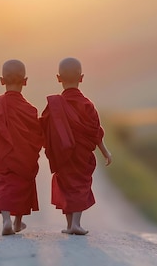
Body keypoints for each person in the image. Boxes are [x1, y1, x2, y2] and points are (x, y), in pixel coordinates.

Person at [40, 57, 113, 235]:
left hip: (62, 155)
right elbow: (96, 132)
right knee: (79, 184)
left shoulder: (54, 105)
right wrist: (105, 152)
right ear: (81, 78)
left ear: (58, 78)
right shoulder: (87, 105)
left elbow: (44, 128)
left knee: (66, 185)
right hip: (81, 156)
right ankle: (76, 224)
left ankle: (69, 224)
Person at [0, 59, 44, 236]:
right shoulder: (30, 110)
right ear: (25, 81)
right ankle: (18, 222)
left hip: (1, 159)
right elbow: (37, 137)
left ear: (1, 81)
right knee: (22, 185)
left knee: (3, 186)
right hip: (24, 160)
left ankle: (5, 220)